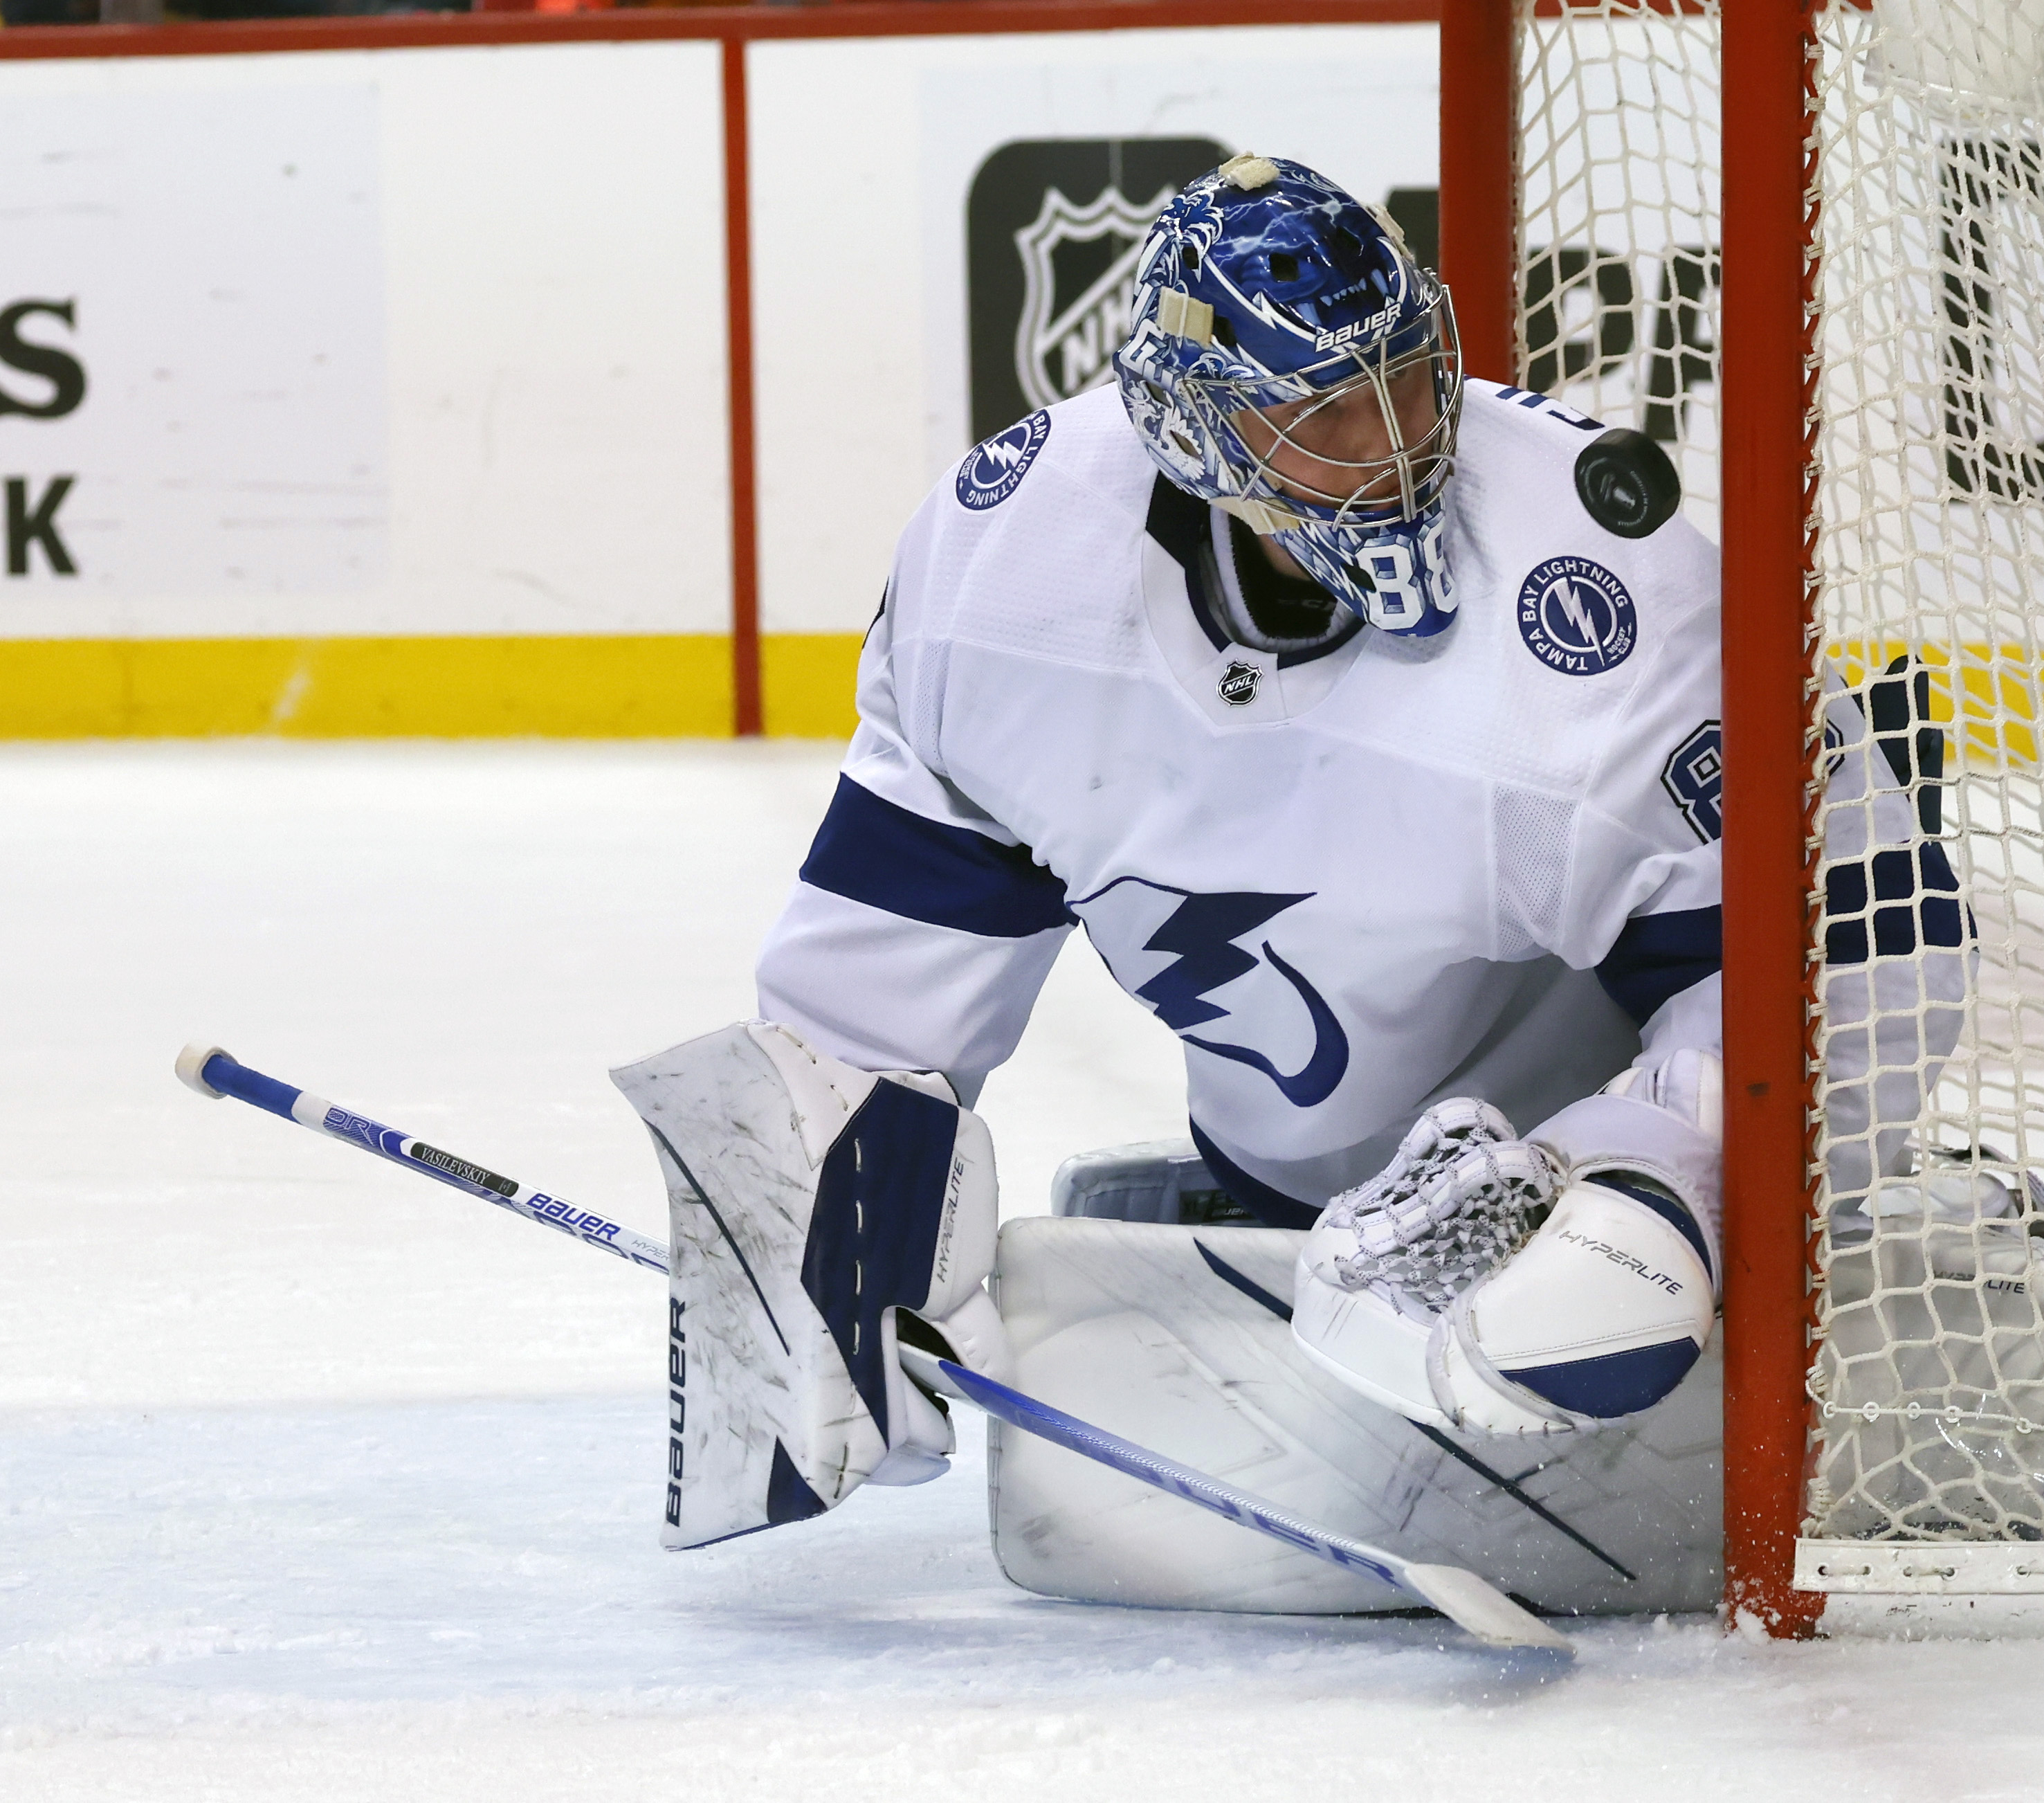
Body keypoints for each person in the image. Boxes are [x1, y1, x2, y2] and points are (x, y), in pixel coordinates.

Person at [608, 153, 1963, 1550]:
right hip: (1278, 1158)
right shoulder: (1008, 568)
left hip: (1578, 1118)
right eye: (1327, 415)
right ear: (1197, 436)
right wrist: (830, 1219)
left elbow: (1871, 938)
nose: (1395, 444)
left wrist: (1654, 1172)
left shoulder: (1605, 601)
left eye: (1411, 384)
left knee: (1615, 1284)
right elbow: (882, 972)